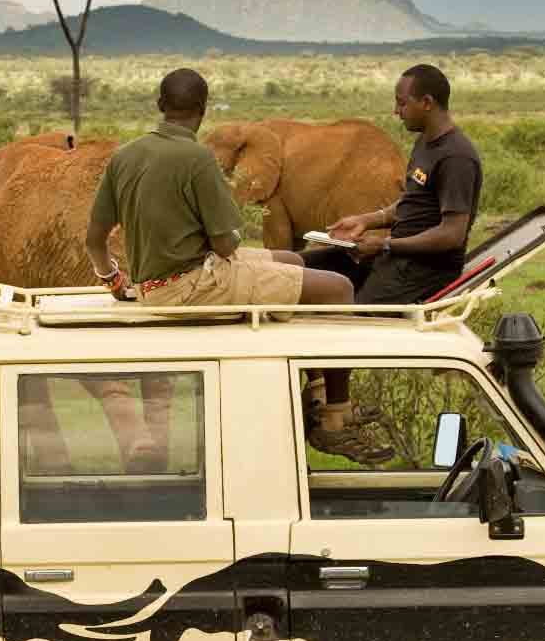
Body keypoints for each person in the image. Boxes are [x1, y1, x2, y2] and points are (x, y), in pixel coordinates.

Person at [84, 68, 369, 455]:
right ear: (202, 109)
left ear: (160, 105)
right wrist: (227, 230)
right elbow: (224, 245)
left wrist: (113, 280)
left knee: (292, 260)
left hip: (156, 285)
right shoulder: (198, 158)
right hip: (194, 284)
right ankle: (336, 416)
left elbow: (94, 240)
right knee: (339, 289)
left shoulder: (125, 156)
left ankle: (316, 392)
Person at [304, 63, 483, 303]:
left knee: (347, 315)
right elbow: (413, 204)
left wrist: (385, 245)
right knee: (301, 271)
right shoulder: (425, 143)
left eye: (402, 103)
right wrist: (366, 220)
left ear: (426, 103)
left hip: (421, 272)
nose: (396, 111)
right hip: (395, 258)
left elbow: (452, 234)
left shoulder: (456, 158)